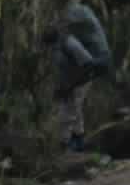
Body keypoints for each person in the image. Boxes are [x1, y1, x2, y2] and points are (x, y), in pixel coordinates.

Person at [44, 19, 108, 152]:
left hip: (82, 81)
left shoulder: (69, 42)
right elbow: (64, 68)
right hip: (71, 82)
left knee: (66, 114)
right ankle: (79, 142)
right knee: (75, 110)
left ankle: (64, 145)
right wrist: (62, 85)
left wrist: (72, 86)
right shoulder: (54, 46)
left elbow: (88, 64)